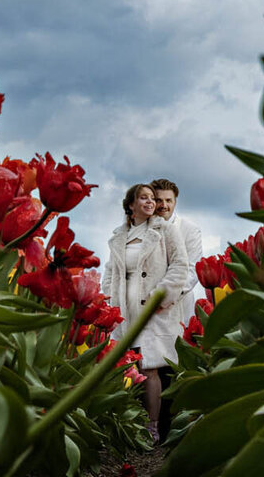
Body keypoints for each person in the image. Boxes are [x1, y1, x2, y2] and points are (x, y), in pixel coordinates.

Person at [102, 183, 191, 444]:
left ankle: (152, 429)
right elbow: (110, 271)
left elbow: (180, 264)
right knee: (126, 366)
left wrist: (161, 295)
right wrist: (108, 297)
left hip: (152, 310)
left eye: (152, 198)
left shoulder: (166, 230)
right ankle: (128, 426)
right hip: (124, 310)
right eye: (144, 198)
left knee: (150, 368)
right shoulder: (119, 235)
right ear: (131, 205)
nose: (151, 202)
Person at [149, 177, 201, 441]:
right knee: (152, 364)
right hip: (147, 307)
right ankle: (153, 426)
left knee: (174, 364)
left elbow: (192, 270)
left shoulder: (189, 230)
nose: (164, 205)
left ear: (175, 201)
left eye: (168, 200)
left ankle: (170, 427)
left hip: (177, 306)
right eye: (159, 200)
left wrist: (167, 297)